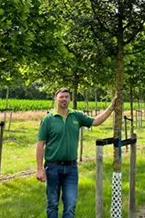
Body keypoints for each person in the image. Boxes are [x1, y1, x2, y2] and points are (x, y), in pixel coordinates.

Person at [36, 87, 117, 218]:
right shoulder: (48, 119)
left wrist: (111, 108)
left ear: (70, 99)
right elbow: (40, 144)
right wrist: (40, 169)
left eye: (66, 97)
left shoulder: (76, 116)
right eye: (61, 97)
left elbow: (95, 121)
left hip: (71, 169)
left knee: (70, 205)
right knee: (52, 204)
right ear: (56, 99)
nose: (64, 99)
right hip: (52, 168)